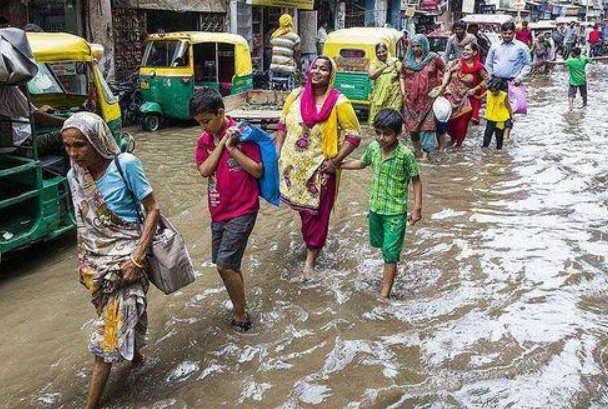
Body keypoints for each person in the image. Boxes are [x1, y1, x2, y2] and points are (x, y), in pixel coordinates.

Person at [62, 112, 160, 409]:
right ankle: (138, 360)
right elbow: (84, 224)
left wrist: (138, 257)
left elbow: (153, 210)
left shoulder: (125, 165)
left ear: (98, 141)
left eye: (80, 145)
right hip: (98, 266)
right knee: (116, 324)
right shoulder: (73, 176)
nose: (73, 153)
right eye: (67, 146)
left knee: (105, 341)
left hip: (129, 262)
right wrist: (84, 264)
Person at [275, 56, 361, 278]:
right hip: (293, 169)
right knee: (305, 213)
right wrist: (277, 151)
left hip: (321, 170)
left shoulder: (339, 102)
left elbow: (354, 136)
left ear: (331, 75)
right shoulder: (296, 95)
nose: (317, 72)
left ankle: (309, 262)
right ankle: (312, 244)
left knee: (318, 214)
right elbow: (282, 123)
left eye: (324, 69)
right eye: (315, 67)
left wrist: (334, 162)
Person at [192, 87, 263, 331]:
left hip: (243, 208)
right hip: (218, 211)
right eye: (199, 122)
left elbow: (257, 170)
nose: (203, 127)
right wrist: (222, 143)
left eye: (207, 121)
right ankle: (241, 306)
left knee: (225, 265)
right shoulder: (204, 140)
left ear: (221, 113)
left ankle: (241, 315)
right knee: (228, 265)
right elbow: (204, 171)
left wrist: (233, 148)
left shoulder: (243, 135)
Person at [340, 109, 422, 299]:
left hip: (395, 213)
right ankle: (391, 271)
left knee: (390, 253)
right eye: (378, 132)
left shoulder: (405, 155)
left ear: (398, 133)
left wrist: (417, 208)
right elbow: (361, 163)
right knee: (380, 245)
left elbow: (416, 180)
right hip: (375, 209)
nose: (381, 138)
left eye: (387, 134)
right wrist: (338, 164)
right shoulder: (373, 149)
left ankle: (384, 295)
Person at [435, 43, 489, 148]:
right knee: (448, 123)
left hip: (466, 100)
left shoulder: (479, 67)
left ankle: (458, 147)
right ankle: (450, 141)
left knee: (461, 126)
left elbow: (487, 79)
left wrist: (475, 89)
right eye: (464, 50)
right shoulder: (456, 62)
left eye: (468, 50)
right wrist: (444, 85)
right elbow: (446, 72)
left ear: (475, 52)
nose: (465, 52)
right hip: (450, 97)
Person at [400, 34, 445, 158]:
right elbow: (402, 76)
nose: (416, 49)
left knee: (428, 128)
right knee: (413, 128)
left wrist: (442, 87)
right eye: (413, 46)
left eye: (419, 46)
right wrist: (403, 92)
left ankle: (426, 155)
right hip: (411, 101)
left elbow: (446, 71)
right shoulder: (407, 60)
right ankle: (417, 152)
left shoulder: (434, 58)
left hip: (428, 99)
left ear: (424, 45)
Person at [485, 21, 531, 140]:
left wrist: (520, 78)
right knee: (494, 108)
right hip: (495, 82)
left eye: (510, 33)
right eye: (504, 33)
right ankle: (496, 132)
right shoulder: (494, 46)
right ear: (501, 33)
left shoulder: (521, 47)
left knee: (509, 109)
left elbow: (528, 65)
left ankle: (506, 134)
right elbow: (488, 64)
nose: (507, 36)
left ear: (514, 33)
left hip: (512, 82)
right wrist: (490, 78)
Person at [0, 85, 65, 154]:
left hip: (6, 147)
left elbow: (28, 112)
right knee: (67, 133)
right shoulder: (9, 90)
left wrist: (39, 110)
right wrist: (68, 121)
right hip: (21, 147)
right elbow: (37, 117)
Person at [367, 42, 402, 126]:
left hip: (394, 96)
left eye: (383, 51)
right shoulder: (374, 63)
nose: (381, 54)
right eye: (379, 52)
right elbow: (371, 75)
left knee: (392, 119)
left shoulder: (394, 60)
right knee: (379, 119)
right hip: (379, 97)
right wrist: (385, 66)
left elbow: (403, 73)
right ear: (376, 53)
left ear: (387, 51)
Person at [269, 14, 301, 90]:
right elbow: (297, 55)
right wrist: (299, 67)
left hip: (274, 67)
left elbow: (272, 51)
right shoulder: (295, 37)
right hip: (288, 68)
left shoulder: (274, 35)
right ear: (290, 23)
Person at [483, 78, 512, 150]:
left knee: (499, 136)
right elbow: (481, 97)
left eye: (495, 91)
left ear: (499, 89)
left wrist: (512, 115)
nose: (493, 93)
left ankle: (499, 150)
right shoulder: (488, 92)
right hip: (490, 117)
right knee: (487, 135)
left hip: (500, 119)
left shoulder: (504, 95)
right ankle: (484, 147)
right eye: (491, 91)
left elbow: (508, 106)